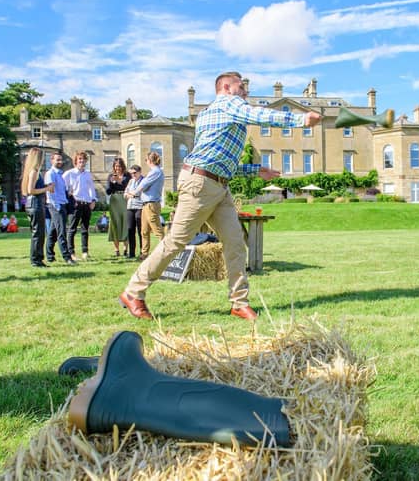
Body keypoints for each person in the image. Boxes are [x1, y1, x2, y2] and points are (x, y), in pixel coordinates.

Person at [119, 71, 321, 321]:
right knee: (175, 242)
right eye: (241, 86)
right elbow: (259, 114)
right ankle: (133, 292)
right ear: (226, 87)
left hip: (218, 185)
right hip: (199, 184)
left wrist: (255, 170)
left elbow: (220, 161)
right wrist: (301, 120)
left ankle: (239, 302)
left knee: (235, 242)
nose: (245, 90)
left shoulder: (214, 114)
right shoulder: (229, 104)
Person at [21, 147, 54, 267]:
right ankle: (36, 260)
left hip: (34, 204)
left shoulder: (33, 171)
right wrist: (47, 189)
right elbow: (31, 190)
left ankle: (38, 258)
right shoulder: (34, 171)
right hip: (35, 204)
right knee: (38, 233)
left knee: (38, 233)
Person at [63, 150, 97, 261]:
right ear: (76, 161)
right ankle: (71, 252)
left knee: (85, 229)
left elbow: (91, 188)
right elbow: (63, 187)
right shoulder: (70, 173)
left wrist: (93, 200)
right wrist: (70, 196)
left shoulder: (88, 174)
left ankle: (85, 251)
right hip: (75, 203)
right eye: (79, 160)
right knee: (72, 229)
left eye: (83, 160)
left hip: (86, 203)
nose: (82, 161)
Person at [45, 152, 76, 265]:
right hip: (55, 205)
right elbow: (51, 191)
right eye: (57, 160)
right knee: (61, 231)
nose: (60, 162)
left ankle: (49, 255)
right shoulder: (50, 174)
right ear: (51, 161)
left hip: (62, 204)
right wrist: (57, 206)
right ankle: (67, 257)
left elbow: (62, 191)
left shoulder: (60, 175)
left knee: (53, 231)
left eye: (61, 160)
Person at [133, 151, 164, 261]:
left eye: (146, 160)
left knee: (157, 230)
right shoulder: (154, 172)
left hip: (151, 204)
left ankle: (166, 252)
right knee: (144, 231)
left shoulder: (156, 171)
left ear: (150, 160)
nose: (145, 162)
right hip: (146, 205)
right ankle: (144, 254)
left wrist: (133, 192)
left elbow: (143, 185)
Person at [106, 158, 131, 255]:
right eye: (116, 166)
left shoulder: (127, 175)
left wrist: (119, 181)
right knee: (115, 223)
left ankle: (125, 249)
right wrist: (112, 183)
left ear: (123, 166)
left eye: (120, 166)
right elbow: (108, 191)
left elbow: (128, 186)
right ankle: (116, 249)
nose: (118, 168)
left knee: (125, 222)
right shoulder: (111, 176)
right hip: (115, 200)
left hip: (125, 199)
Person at [124, 164, 143, 259]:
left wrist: (132, 194)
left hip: (140, 206)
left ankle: (142, 251)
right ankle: (131, 253)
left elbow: (139, 192)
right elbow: (125, 193)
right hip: (130, 206)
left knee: (140, 230)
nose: (133, 175)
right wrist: (129, 194)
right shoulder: (131, 181)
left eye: (134, 173)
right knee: (130, 229)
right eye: (131, 173)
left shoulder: (143, 181)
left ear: (139, 172)